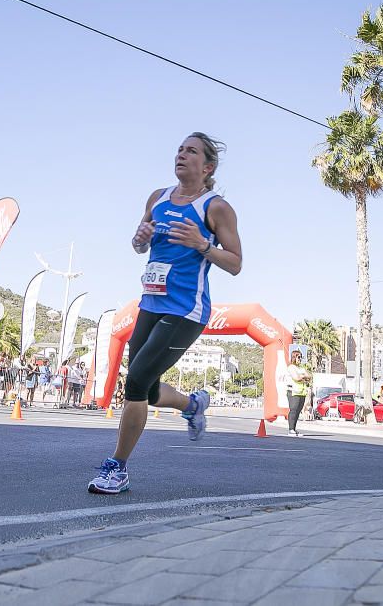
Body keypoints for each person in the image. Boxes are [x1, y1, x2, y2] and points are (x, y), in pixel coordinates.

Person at [88, 132, 243, 494]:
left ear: (207, 167)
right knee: (148, 387)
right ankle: (192, 404)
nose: (181, 154)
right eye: (179, 149)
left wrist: (202, 244)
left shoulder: (216, 207)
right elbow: (139, 244)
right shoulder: (157, 198)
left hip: (187, 310)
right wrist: (140, 238)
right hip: (150, 303)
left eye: (191, 151)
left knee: (138, 380)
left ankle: (118, 468)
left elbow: (235, 263)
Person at [286, 350, 311, 437]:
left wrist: (303, 376)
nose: (300, 359)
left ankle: (294, 428)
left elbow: (309, 376)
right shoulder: (291, 367)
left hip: (302, 392)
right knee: (293, 410)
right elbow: (296, 378)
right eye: (298, 357)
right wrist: (303, 376)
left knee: (298, 411)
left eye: (301, 357)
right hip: (293, 392)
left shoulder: (301, 368)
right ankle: (291, 429)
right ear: (294, 357)